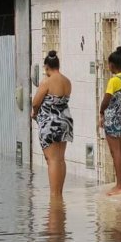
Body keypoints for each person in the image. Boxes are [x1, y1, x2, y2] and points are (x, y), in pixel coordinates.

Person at [31, 50, 73, 197]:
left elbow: (35, 103)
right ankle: (59, 193)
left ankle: (54, 196)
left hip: (50, 123)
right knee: (60, 158)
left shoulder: (47, 81)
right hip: (65, 122)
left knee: (52, 159)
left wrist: (34, 113)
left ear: (46, 67)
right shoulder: (67, 81)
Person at [100, 46, 121, 196]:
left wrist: (100, 112)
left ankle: (119, 186)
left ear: (112, 64)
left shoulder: (114, 80)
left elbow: (106, 100)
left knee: (115, 151)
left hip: (112, 118)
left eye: (108, 64)